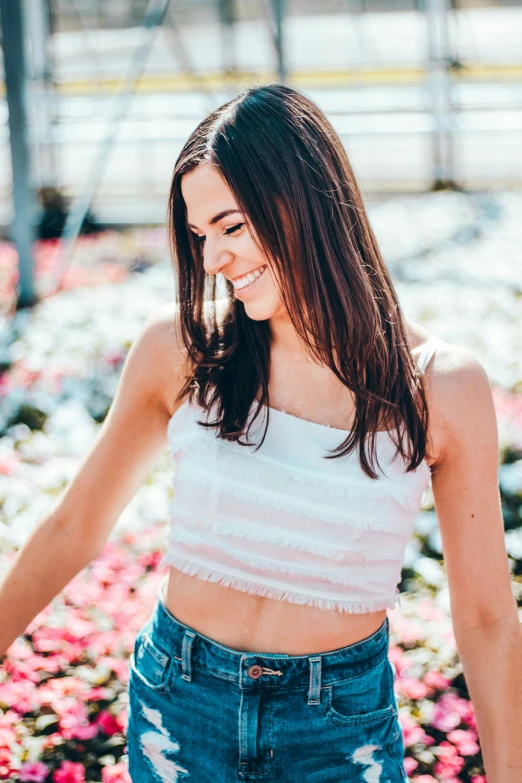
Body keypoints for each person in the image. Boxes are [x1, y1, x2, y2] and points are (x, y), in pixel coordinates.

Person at [1, 83, 520, 782]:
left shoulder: (440, 388)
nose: (212, 257)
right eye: (199, 235)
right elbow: (75, 524)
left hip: (339, 731)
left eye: (231, 225)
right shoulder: (181, 349)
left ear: (302, 202)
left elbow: (487, 618)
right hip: (180, 709)